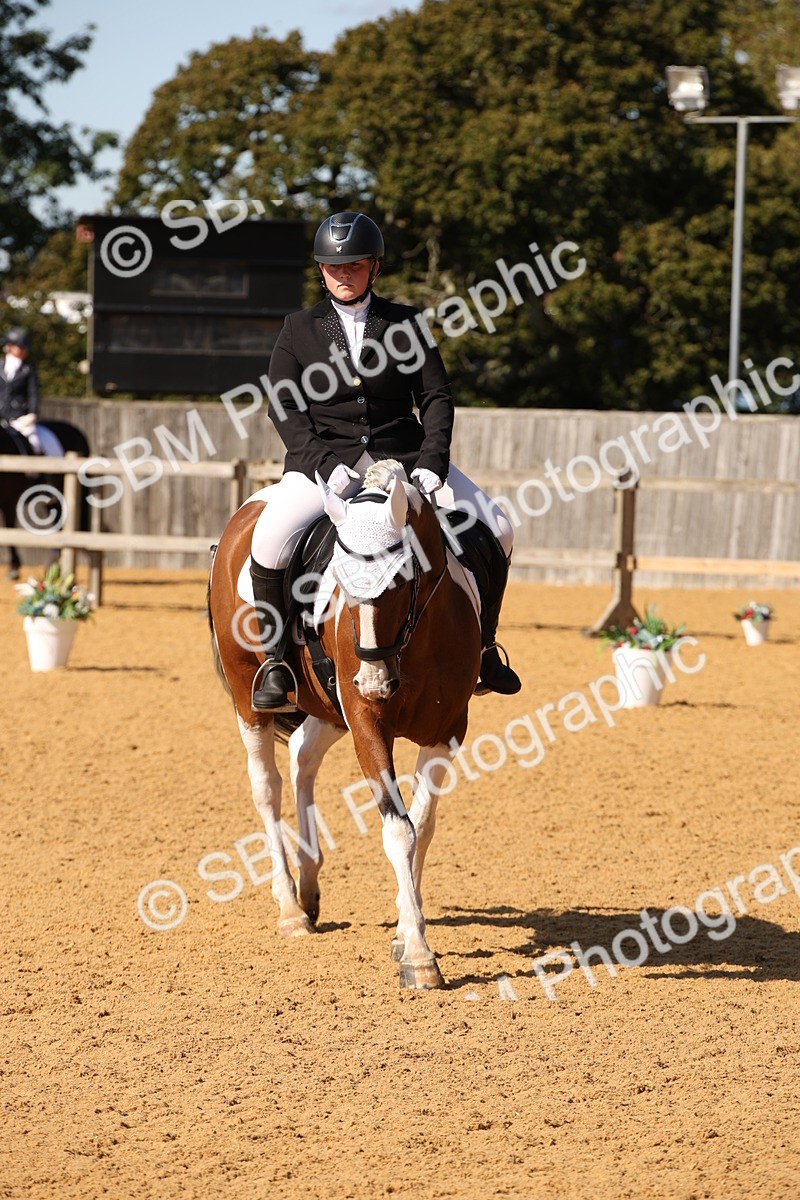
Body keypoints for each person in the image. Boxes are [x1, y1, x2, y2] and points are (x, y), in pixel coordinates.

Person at [249, 211, 521, 710]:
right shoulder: (298, 329)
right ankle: (275, 662)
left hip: (405, 458)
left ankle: (485, 649)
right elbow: (283, 406)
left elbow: (436, 395)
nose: (343, 274)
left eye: (353, 264)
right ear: (320, 270)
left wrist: (432, 462)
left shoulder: (406, 323)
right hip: (324, 464)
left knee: (499, 527)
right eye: (333, 267)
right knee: (268, 540)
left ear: (374, 267)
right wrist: (325, 464)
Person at [0, 328, 43, 451]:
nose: (24, 351)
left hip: (19, 418)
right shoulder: (0, 366)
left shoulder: (28, 369)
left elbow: (33, 393)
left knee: (35, 443)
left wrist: (32, 413)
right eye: (20, 347)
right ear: (9, 346)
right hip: (1, 415)